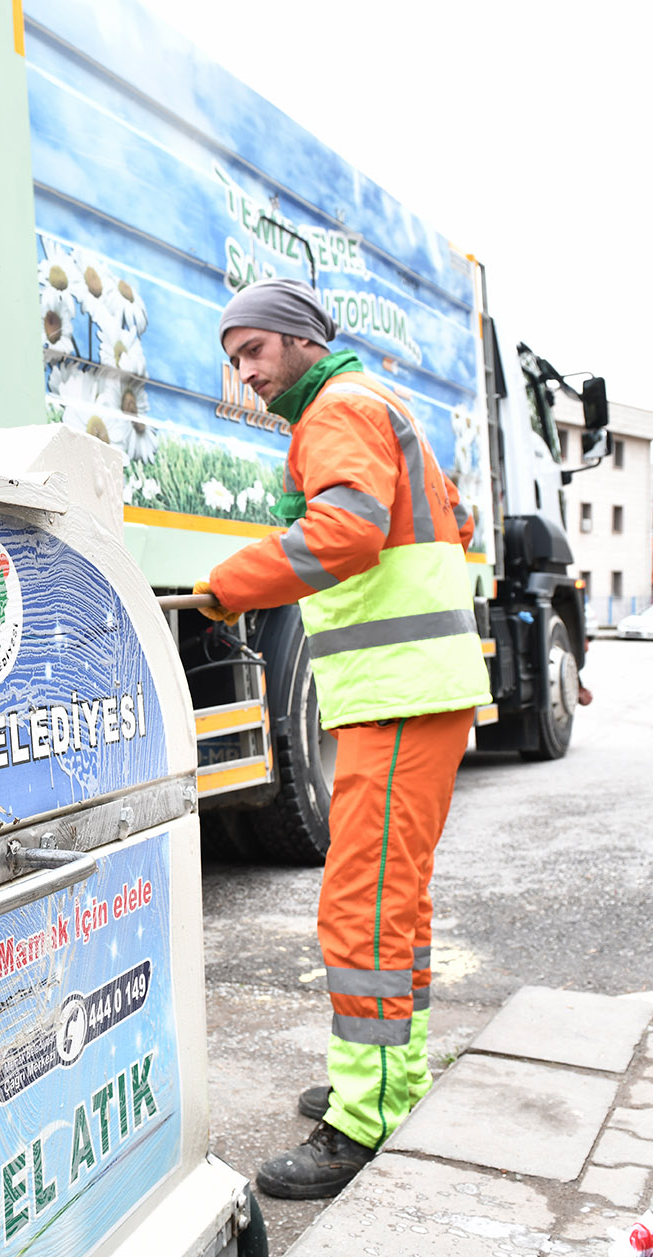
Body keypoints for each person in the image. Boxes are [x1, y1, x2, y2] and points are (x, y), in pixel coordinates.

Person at [191, 279, 490, 1199]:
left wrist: (228, 584)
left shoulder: (337, 409)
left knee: (361, 910)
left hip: (398, 698)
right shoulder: (376, 405)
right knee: (395, 905)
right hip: (410, 695)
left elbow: (348, 535)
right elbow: (440, 524)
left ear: (299, 339)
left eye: (254, 351)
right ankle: (393, 1085)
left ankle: (360, 1122)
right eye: (234, 360)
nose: (246, 373)